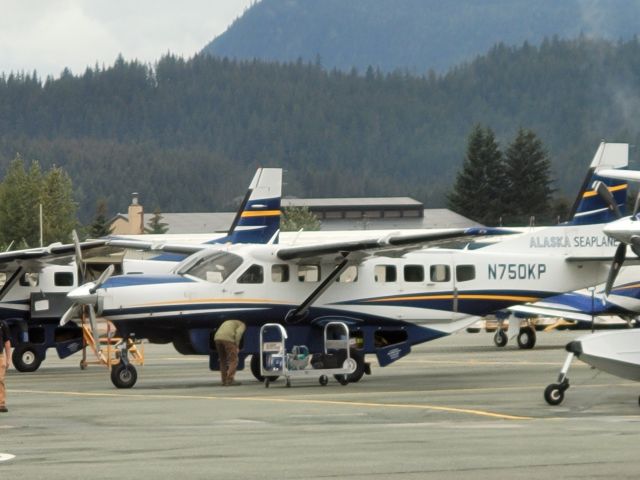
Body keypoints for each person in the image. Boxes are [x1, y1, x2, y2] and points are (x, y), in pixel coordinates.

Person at [214, 319, 246, 386]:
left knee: (223, 360)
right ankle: (230, 380)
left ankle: (224, 380)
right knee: (233, 360)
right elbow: (239, 334)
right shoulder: (242, 324)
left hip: (217, 338)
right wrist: (237, 346)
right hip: (228, 339)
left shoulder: (227, 321)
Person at [0, 320, 11, 412]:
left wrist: (8, 358)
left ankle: (1, 404)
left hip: (0, 356)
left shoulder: (2, 324)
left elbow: (7, 342)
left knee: (0, 379)